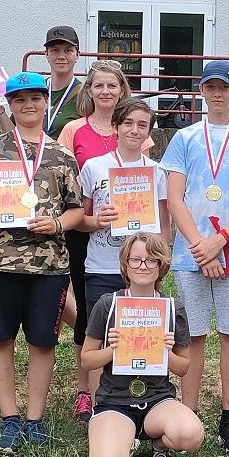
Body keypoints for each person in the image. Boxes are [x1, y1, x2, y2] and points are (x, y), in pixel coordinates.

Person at [0, 71, 84, 453]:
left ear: (46, 102)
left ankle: (35, 419)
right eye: (19, 99)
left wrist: (58, 223)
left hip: (47, 265)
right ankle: (9, 418)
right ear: (10, 105)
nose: (28, 105)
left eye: (35, 98)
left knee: (42, 341)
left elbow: (77, 210)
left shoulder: (62, 155)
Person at [160, 60, 229, 453]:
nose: (217, 93)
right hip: (190, 252)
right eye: (211, 86)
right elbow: (175, 198)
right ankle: (188, 414)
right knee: (191, 335)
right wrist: (200, 245)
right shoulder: (185, 138)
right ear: (202, 91)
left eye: (224, 87)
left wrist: (220, 240)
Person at [58, 59, 154, 422]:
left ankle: (131, 389)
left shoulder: (137, 132)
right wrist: (93, 220)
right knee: (91, 317)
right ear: (89, 90)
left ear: (122, 90)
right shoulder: (74, 130)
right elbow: (73, 190)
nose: (105, 91)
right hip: (91, 240)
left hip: (134, 245)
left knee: (134, 316)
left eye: (112, 85)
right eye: (98, 85)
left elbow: (147, 194)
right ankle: (88, 392)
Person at [77, 98, 170, 419]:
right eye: (128, 123)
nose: (134, 130)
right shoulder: (94, 167)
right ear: (115, 126)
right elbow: (81, 220)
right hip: (102, 265)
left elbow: (164, 224)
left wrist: (161, 263)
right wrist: (97, 220)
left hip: (143, 270)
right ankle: (98, 410)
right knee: (101, 337)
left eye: (142, 125)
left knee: (141, 334)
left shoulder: (157, 172)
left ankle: (138, 403)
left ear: (149, 132)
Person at [82, 233, 204, 457]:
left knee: (191, 435)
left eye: (151, 260)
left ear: (161, 266)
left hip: (158, 400)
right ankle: (120, 438)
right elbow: (86, 359)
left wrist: (166, 353)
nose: (143, 266)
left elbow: (183, 367)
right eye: (135, 260)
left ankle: (159, 446)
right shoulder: (108, 304)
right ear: (125, 264)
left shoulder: (172, 308)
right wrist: (112, 350)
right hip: (115, 402)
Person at [0, 26, 83, 137]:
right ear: (46, 54)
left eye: (68, 50)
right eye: (55, 50)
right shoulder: (35, 89)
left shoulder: (85, 94)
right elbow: (13, 138)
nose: (61, 56)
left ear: (77, 54)